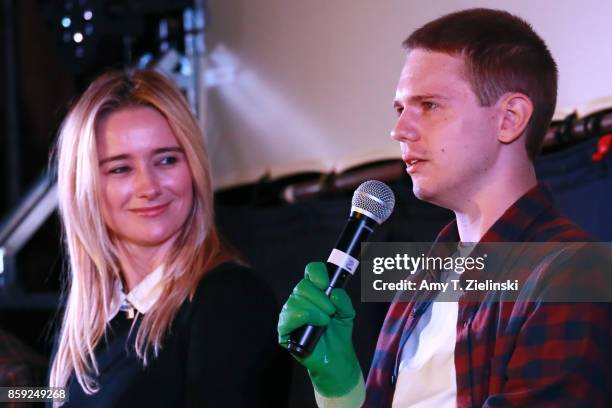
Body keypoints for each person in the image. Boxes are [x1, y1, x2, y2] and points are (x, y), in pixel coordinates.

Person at [278, 8, 611, 407]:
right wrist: (340, 390)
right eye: (401, 109)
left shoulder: (571, 272)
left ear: (510, 119)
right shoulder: (423, 277)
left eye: (430, 105)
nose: (399, 130)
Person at [49, 69, 289, 407]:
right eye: (120, 168)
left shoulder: (227, 301)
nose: (149, 187)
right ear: (83, 187)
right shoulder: (92, 322)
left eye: (166, 160)